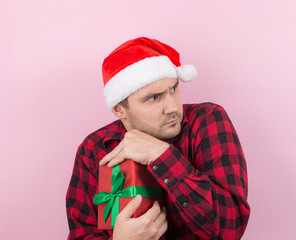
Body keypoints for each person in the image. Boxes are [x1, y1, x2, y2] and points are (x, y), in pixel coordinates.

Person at [66, 37, 250, 240]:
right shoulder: (94, 149)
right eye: (153, 98)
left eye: (173, 89)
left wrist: (161, 155)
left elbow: (230, 228)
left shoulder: (207, 120)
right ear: (120, 109)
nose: (172, 107)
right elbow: (82, 234)